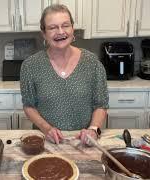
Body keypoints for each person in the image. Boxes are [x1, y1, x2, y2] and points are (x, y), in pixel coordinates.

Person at [20, 4, 108, 145]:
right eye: (53, 27)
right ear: (44, 33)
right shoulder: (30, 66)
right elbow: (29, 106)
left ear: (72, 29)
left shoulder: (92, 62)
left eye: (65, 25)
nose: (60, 32)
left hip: (84, 141)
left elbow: (101, 104)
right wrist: (46, 128)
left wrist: (93, 129)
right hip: (47, 140)